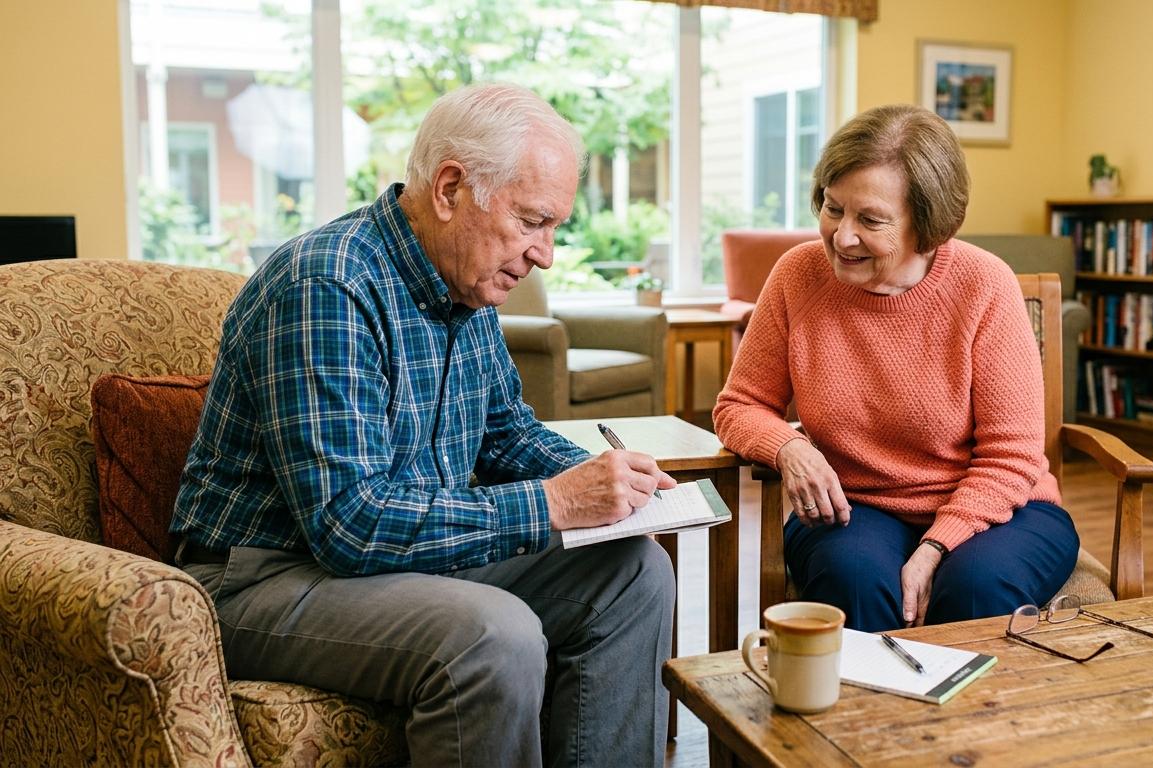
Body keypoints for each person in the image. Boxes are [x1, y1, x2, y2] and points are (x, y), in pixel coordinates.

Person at [171, 83, 677, 767]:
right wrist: (555, 503)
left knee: (634, 572)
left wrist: (609, 484)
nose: (546, 254)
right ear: (449, 189)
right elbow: (350, 523)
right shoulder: (326, 285)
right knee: (492, 636)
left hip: (397, 563)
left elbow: (506, 436)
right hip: (264, 578)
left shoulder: (467, 285)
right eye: (532, 221)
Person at [713, 104, 1078, 633]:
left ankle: (972, 718)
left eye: (871, 220)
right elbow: (740, 405)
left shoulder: (984, 285)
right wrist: (788, 447)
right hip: (857, 505)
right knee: (852, 580)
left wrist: (936, 547)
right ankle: (856, 718)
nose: (841, 237)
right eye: (834, 209)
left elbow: (1012, 456)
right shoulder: (797, 275)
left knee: (975, 587)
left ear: (928, 227)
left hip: (1002, 507)